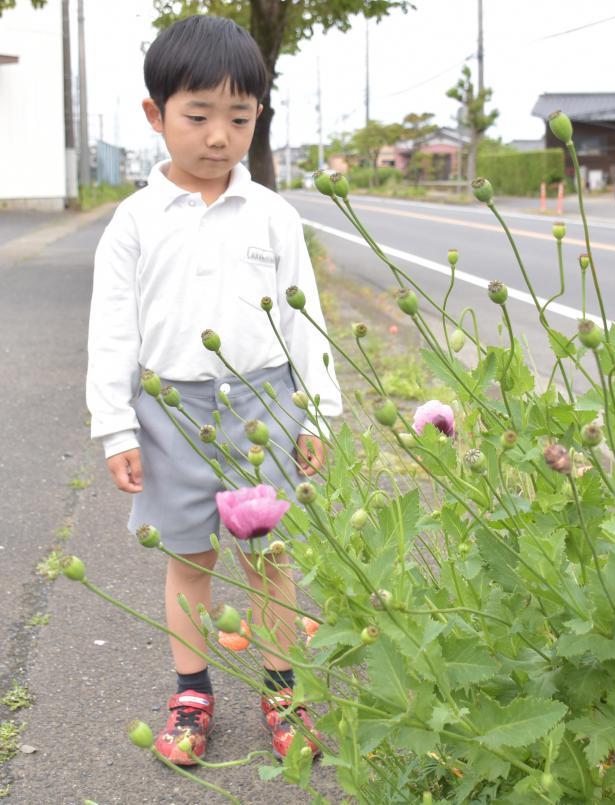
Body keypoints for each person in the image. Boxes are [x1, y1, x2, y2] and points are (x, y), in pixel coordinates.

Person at [85, 15, 341, 765]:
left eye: (240, 116)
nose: (220, 136)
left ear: (259, 115)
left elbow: (307, 321)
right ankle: (192, 694)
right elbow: (112, 330)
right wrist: (116, 427)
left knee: (270, 560)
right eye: (197, 116)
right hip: (169, 414)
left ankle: (283, 689)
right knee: (189, 561)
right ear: (155, 114)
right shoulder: (133, 222)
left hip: (263, 406)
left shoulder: (272, 214)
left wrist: (318, 410)